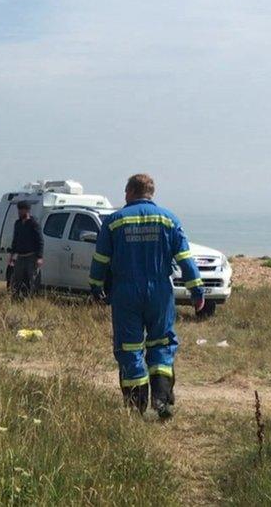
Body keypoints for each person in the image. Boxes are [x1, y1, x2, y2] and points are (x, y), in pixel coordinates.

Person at [89, 174, 204, 420]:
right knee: (161, 343)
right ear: (151, 192)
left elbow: (100, 259)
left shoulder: (114, 221)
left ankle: (135, 406)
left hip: (126, 292)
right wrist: (197, 291)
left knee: (129, 346)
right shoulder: (168, 219)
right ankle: (161, 401)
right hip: (160, 291)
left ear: (130, 191)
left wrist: (96, 285)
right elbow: (186, 259)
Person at [8, 201, 44, 299]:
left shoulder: (33, 224)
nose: (19, 212)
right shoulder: (18, 223)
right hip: (20, 256)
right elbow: (15, 240)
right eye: (19, 210)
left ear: (27, 210)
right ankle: (15, 299)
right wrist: (11, 255)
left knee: (32, 279)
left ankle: (32, 299)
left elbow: (40, 241)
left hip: (31, 257)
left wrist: (39, 257)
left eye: (21, 210)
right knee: (16, 279)